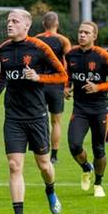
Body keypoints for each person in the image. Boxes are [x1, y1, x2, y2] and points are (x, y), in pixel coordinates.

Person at [0, 9, 67, 214]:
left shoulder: (39, 48)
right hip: (13, 116)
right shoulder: (3, 49)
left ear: (27, 25)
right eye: (8, 21)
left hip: (36, 116)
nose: (10, 24)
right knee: (14, 166)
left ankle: (50, 189)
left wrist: (38, 77)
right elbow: (5, 74)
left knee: (44, 165)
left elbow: (62, 75)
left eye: (15, 21)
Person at [64, 21, 108, 197]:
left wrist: (98, 87)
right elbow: (68, 76)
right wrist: (66, 87)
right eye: (80, 32)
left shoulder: (103, 56)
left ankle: (98, 183)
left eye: (86, 33)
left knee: (99, 149)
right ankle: (86, 167)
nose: (82, 35)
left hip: (99, 108)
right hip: (80, 108)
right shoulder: (71, 55)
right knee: (74, 145)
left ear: (94, 36)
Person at [36, 12, 72, 164]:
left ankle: (43, 149)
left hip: (39, 84)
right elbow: (71, 64)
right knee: (56, 122)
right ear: (57, 24)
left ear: (43, 24)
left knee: (40, 119)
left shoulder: (36, 39)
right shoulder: (63, 40)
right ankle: (54, 156)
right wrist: (68, 86)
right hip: (56, 86)